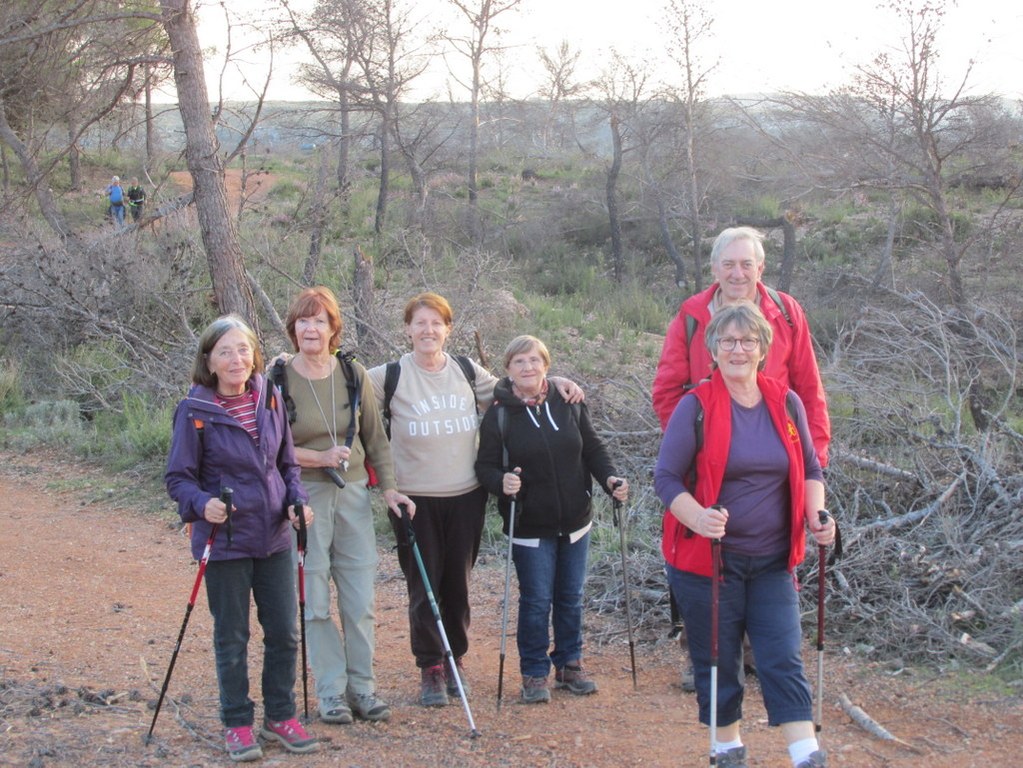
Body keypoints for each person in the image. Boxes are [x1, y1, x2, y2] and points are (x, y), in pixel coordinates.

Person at [365, 292, 583, 707]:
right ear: (408, 329)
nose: (428, 331)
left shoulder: (466, 371)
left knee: (457, 583)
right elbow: (348, 390)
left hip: (467, 495)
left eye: (437, 324)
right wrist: (285, 364)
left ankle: (455, 659)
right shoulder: (389, 375)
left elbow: (514, 387)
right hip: (414, 499)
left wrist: (554, 382)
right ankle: (430, 665)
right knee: (423, 583)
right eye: (420, 323)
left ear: (448, 329)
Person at [654, 302, 835, 768]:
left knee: (782, 656)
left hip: (774, 559)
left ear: (763, 349)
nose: (738, 349)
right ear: (714, 349)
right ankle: (727, 748)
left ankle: (805, 755)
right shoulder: (696, 404)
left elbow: (811, 469)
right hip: (708, 562)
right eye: (728, 341)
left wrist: (817, 516)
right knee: (719, 662)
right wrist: (696, 517)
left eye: (748, 341)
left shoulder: (786, 401)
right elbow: (667, 479)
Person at [651, 225, 831, 689]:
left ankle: (758, 655)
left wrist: (813, 460)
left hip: (777, 458)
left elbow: (808, 390)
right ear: (714, 268)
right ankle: (708, 657)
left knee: (770, 553)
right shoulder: (692, 316)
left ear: (760, 268)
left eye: (745, 264)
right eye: (728, 264)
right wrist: (694, 440)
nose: (737, 273)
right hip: (707, 465)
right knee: (704, 552)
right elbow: (668, 388)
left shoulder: (787, 314)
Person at [165, 314, 319, 762]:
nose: (237, 359)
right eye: (226, 352)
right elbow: (178, 479)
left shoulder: (269, 396)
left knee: (285, 633)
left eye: (244, 349)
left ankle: (280, 716)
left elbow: (288, 465)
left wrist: (297, 500)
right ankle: (236, 723)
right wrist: (201, 504)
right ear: (209, 361)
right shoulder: (194, 411)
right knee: (232, 637)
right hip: (226, 540)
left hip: (273, 535)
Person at [277, 287, 415, 726]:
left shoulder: (352, 373)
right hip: (304, 499)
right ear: (292, 328)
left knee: (359, 599)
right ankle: (331, 693)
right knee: (314, 601)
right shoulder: (276, 380)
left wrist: (390, 489)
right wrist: (317, 458)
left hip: (353, 493)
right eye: (303, 321)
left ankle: (364, 688)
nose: (310, 329)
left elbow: (376, 438)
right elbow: (266, 448)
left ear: (334, 328)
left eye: (319, 321)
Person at [475, 335, 629, 704]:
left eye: (534, 360)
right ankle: (533, 672)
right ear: (508, 369)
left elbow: (592, 449)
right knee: (536, 600)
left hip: (576, 518)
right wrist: (502, 483)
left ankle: (570, 663)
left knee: (571, 596)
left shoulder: (569, 402)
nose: (528, 367)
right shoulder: (498, 414)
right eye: (519, 362)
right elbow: (484, 467)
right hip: (529, 524)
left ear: (546, 364)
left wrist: (609, 480)